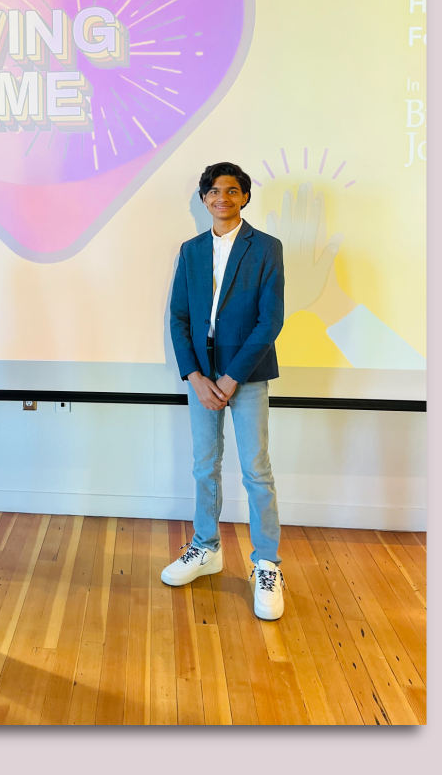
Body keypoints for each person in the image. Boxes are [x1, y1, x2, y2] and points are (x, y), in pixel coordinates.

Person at [163, 162, 288, 620]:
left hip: (247, 374)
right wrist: (195, 376)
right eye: (214, 191)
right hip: (201, 374)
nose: (222, 198)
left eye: (232, 191)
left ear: (245, 198)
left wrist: (232, 376)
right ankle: (205, 548)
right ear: (204, 199)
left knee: (256, 470)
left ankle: (267, 564)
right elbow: (179, 318)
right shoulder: (191, 250)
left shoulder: (266, 248)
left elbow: (269, 320)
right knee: (204, 466)